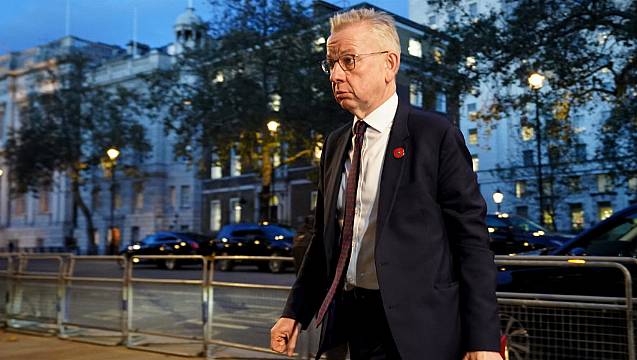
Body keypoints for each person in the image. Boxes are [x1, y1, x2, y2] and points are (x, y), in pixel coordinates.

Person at [271, 8, 502, 360]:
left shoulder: (434, 136)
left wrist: (483, 340)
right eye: (331, 63)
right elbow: (325, 238)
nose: (335, 75)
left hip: (420, 331)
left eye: (348, 61)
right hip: (350, 324)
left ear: (389, 64)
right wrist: (295, 311)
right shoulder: (335, 144)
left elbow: (471, 241)